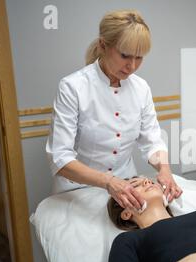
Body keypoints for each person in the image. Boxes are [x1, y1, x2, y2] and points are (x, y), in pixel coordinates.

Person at [46, 10, 182, 212]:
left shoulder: (141, 88)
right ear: (103, 45)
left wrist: (164, 169)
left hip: (127, 185)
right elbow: (60, 157)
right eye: (125, 55)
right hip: (78, 190)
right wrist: (108, 182)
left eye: (139, 58)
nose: (132, 66)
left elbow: (152, 141)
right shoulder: (73, 87)